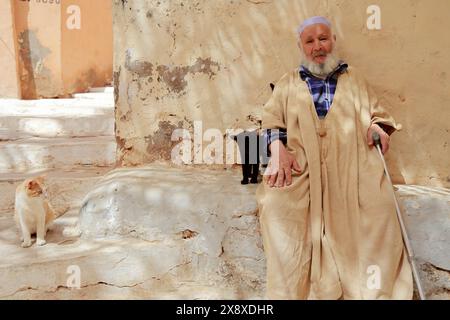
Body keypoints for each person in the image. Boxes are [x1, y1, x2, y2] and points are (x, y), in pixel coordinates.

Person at [256, 16, 413, 299]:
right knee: (277, 208)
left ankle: (374, 292)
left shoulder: (354, 79)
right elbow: (270, 122)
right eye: (310, 41)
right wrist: (277, 150)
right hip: (302, 168)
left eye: (323, 38)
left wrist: (377, 126)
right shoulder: (287, 83)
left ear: (333, 41)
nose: (318, 46)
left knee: (380, 209)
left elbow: (376, 113)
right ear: (301, 46)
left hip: (351, 164)